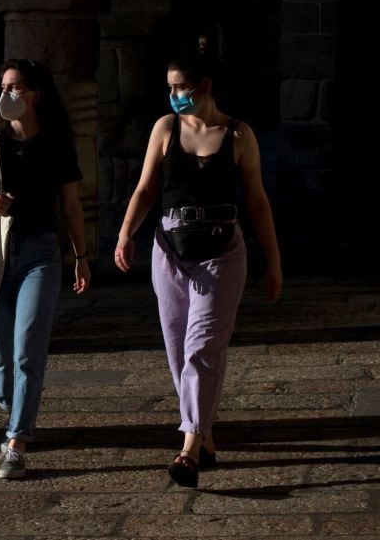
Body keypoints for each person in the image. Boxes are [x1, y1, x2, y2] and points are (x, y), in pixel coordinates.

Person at [114, 42, 282, 488]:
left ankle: (188, 445)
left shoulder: (240, 136)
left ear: (204, 87)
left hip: (221, 252)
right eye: (170, 87)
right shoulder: (165, 127)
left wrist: (275, 262)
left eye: (182, 87)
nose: (174, 95)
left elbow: (258, 201)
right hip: (168, 250)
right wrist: (125, 233)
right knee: (176, 348)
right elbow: (146, 188)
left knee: (202, 347)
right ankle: (205, 434)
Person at [0, 58, 91, 480]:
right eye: (3, 86)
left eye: (15, 87)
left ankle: (17, 440)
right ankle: (14, 407)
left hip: (39, 253)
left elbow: (71, 204)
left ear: (34, 94)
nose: (7, 94)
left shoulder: (55, 143)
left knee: (28, 348)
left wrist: (81, 257)